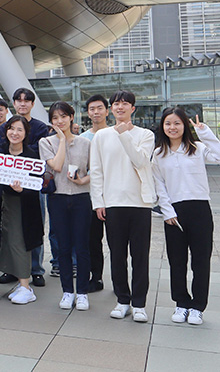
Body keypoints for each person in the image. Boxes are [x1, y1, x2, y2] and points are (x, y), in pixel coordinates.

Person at [152, 108, 220, 325]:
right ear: (162, 126)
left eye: (177, 123)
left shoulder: (197, 148)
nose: (172, 128)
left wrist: (205, 132)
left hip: (200, 210)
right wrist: (167, 212)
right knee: (177, 261)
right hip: (173, 212)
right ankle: (181, 303)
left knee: (201, 261)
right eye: (168, 123)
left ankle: (197, 306)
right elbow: (160, 185)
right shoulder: (158, 154)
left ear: (185, 125)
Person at [89, 90, 156, 323]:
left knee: (140, 256)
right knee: (117, 255)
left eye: (125, 104)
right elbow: (96, 171)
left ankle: (139, 303)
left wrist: (124, 134)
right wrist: (98, 201)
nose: (120, 107)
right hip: (113, 203)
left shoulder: (145, 134)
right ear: (111, 108)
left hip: (140, 203)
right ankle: (122, 300)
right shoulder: (101, 136)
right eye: (116, 104)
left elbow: (140, 161)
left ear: (132, 108)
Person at [40, 102, 92, 311]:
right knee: (62, 246)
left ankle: (83, 293)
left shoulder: (85, 143)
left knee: (82, 246)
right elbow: (57, 166)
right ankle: (67, 291)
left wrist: (83, 181)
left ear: (71, 117)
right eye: (55, 118)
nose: (59, 121)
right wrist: (62, 140)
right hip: (57, 198)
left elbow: (95, 171)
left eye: (63, 116)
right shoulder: (46, 142)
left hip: (81, 198)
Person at [0, 116, 43, 305]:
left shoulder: (31, 155)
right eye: (11, 128)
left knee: (19, 242)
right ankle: (20, 282)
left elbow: (36, 184)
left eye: (19, 130)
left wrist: (22, 189)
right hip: (4, 203)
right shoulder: (0, 152)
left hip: (23, 205)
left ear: (26, 134)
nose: (14, 133)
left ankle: (26, 287)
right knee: (7, 241)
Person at [11, 87, 50, 287]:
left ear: (33, 104)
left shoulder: (41, 127)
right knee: (10, 229)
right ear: (14, 103)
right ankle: (13, 269)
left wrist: (20, 151)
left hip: (33, 185)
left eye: (27, 100)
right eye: (19, 100)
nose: (23, 103)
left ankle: (36, 269)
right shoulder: (7, 127)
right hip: (9, 185)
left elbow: (38, 154)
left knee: (34, 227)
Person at [80, 95, 109, 292]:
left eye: (100, 108)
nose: (96, 112)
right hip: (91, 197)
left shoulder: (116, 134)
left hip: (115, 197)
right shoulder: (83, 139)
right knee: (93, 240)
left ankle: (121, 280)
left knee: (118, 243)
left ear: (107, 111)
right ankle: (96, 277)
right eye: (92, 109)